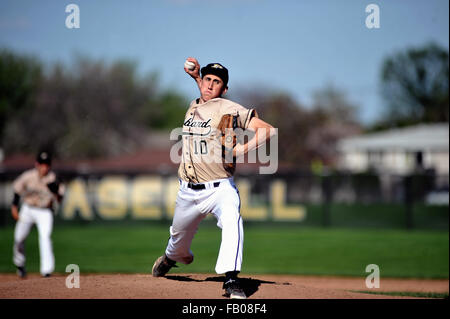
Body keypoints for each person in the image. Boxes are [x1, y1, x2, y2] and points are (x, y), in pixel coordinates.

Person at [152, 58, 276, 299]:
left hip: (219, 188)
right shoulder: (194, 104)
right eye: (207, 80)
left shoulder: (226, 107)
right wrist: (198, 76)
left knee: (232, 221)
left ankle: (231, 279)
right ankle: (171, 257)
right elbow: (204, 92)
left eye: (216, 82)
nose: (209, 85)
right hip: (187, 191)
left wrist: (242, 150)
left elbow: (268, 130)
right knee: (178, 242)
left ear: (224, 89)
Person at [11, 150, 64, 278]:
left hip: (45, 211)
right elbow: (17, 190)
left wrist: (56, 192)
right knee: (19, 238)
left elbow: (60, 199)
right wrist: (14, 208)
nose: (44, 167)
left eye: (46, 164)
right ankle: (20, 264)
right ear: (36, 164)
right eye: (42, 164)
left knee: (45, 237)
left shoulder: (54, 179)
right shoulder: (28, 176)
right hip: (28, 209)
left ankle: (46, 270)